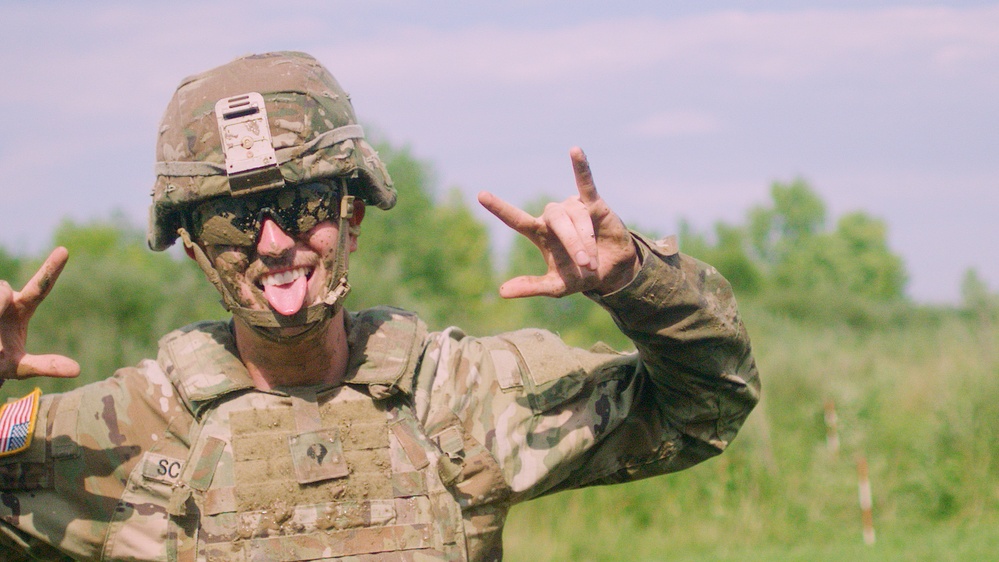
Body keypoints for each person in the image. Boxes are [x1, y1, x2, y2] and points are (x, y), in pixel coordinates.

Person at [0, 51, 759, 561]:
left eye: (300, 204)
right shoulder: (117, 431)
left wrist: (634, 279)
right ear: (193, 245)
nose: (271, 243)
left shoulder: (461, 395)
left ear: (352, 213)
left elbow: (706, 407)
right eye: (232, 219)